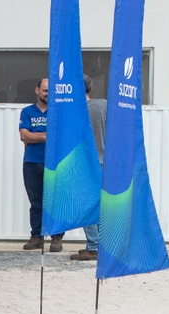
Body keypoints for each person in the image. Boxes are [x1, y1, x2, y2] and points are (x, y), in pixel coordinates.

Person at [19, 78, 64, 252]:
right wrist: (49, 136)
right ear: (37, 90)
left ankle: (56, 237)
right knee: (36, 201)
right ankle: (36, 236)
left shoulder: (59, 112)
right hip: (32, 162)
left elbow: (62, 136)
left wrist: (35, 135)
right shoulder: (27, 112)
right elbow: (24, 136)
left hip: (55, 164)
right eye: (45, 90)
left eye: (51, 91)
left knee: (55, 201)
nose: (48, 94)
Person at [72, 75, 107, 261]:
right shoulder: (104, 105)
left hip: (83, 164)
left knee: (88, 205)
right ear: (90, 88)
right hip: (104, 161)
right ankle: (105, 246)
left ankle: (93, 247)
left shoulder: (71, 110)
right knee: (102, 205)